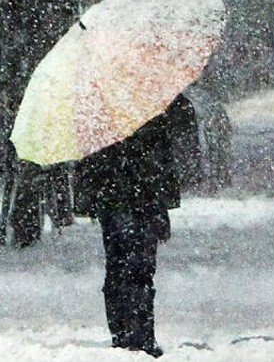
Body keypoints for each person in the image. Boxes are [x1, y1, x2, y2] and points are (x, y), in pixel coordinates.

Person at [74, 92, 197, 356]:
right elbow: (180, 122)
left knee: (121, 261)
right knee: (136, 264)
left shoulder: (97, 94)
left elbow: (87, 147)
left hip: (121, 190)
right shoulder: (148, 90)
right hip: (138, 190)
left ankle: (124, 331)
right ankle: (137, 333)